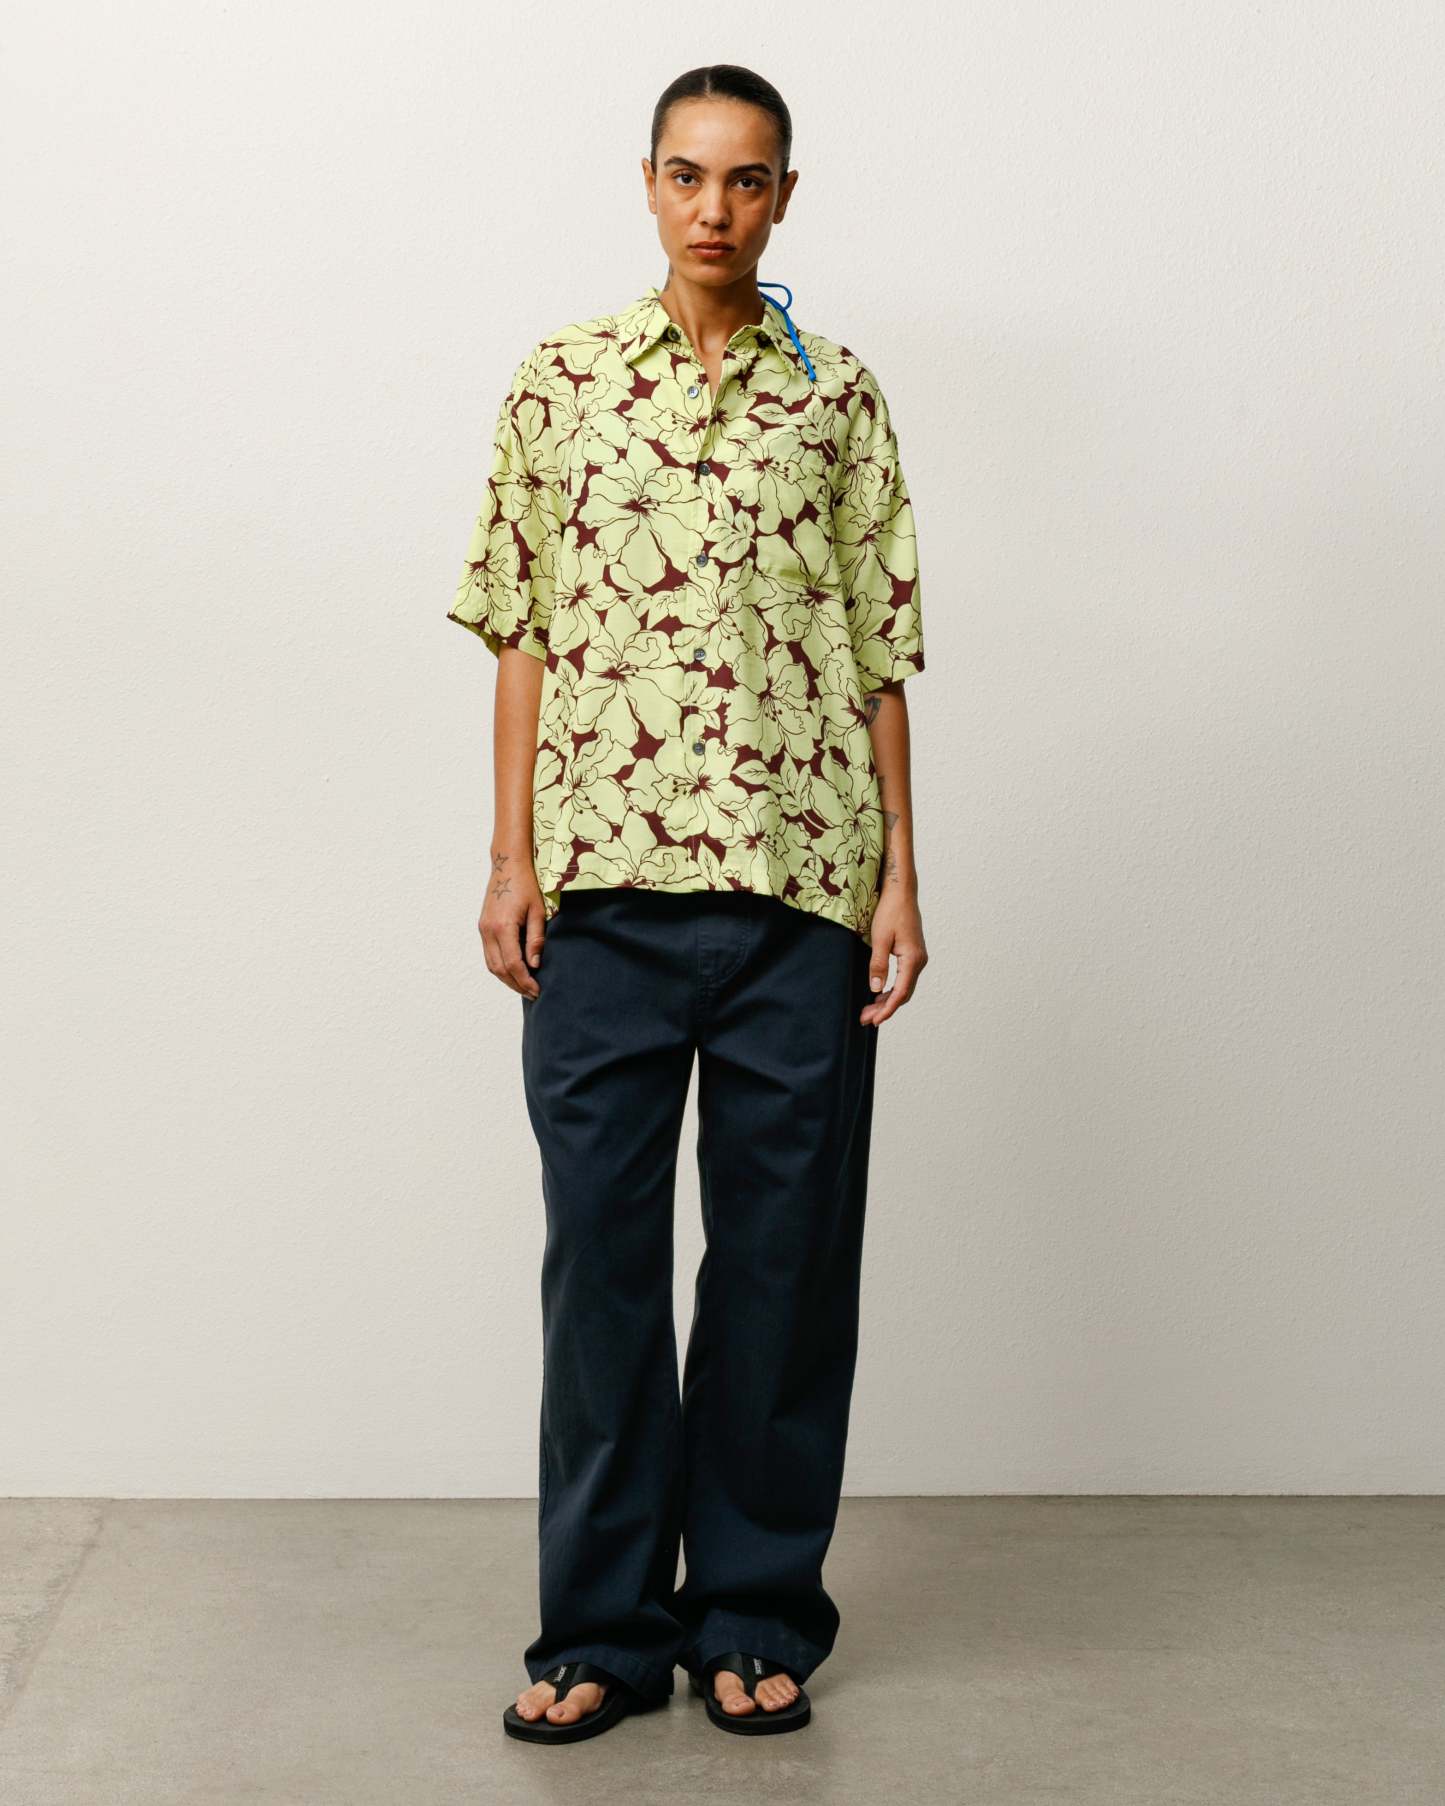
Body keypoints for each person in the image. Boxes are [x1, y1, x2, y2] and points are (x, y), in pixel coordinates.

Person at [446, 63, 929, 1744]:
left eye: (745, 179)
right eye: (685, 173)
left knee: (781, 1274)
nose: (713, 206)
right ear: (646, 183)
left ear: (785, 195)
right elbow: (520, 629)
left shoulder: (836, 395)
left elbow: (876, 649)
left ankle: (749, 1611)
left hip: (801, 888)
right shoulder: (563, 381)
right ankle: (597, 1629)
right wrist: (508, 857)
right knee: (600, 1269)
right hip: (602, 893)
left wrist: (898, 871)